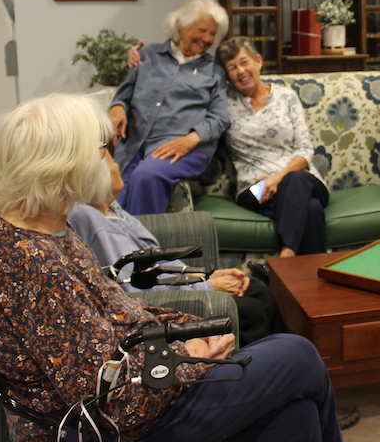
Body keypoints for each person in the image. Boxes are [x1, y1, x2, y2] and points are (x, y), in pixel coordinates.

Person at [0, 93, 380, 442]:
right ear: (64, 167)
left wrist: (186, 333)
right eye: (100, 150)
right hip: (101, 432)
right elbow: (109, 400)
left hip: (141, 379)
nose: (108, 159)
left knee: (295, 424)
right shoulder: (32, 263)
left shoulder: (37, 221)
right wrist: (189, 357)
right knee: (298, 354)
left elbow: (116, 308)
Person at [68, 146, 285, 345]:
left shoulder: (112, 207)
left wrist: (203, 276)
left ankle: (284, 361)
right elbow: (136, 285)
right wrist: (207, 287)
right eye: (111, 162)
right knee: (252, 312)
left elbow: (158, 259)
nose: (117, 166)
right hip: (160, 302)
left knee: (262, 294)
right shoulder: (91, 220)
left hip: (176, 285)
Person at [109, 0, 230, 215]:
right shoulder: (146, 56)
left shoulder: (214, 70)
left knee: (147, 176)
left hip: (185, 147)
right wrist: (117, 108)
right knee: (111, 197)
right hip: (134, 145)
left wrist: (189, 140)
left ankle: (143, 238)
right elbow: (123, 96)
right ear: (181, 26)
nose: (207, 38)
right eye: (202, 30)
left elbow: (220, 119)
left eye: (213, 33)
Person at [215, 37, 329, 257]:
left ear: (258, 61)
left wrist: (278, 177)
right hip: (254, 187)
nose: (240, 71)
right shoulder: (223, 104)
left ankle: (286, 257)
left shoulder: (286, 97)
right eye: (232, 67)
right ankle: (314, 276)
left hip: (304, 180)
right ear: (227, 75)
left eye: (244, 62)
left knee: (295, 180)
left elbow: (305, 149)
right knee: (312, 208)